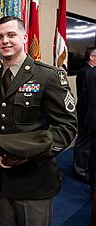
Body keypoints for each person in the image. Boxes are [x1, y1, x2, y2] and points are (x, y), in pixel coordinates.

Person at [0, 16, 77, 226]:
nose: (5, 41)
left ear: (25, 37)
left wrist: (28, 153)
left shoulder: (48, 76)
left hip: (34, 180)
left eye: (11, 35)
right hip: (2, 180)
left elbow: (67, 127)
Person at [73, 47, 96, 183]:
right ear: (92, 57)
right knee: (83, 143)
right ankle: (79, 169)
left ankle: (85, 166)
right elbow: (84, 97)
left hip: (89, 113)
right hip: (85, 113)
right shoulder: (85, 72)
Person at [80, 67, 96, 225]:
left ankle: (93, 192)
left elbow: (83, 100)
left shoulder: (90, 73)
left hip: (92, 122)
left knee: (93, 158)